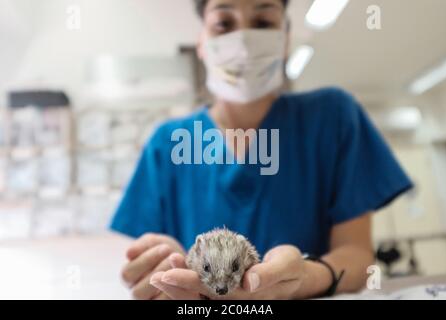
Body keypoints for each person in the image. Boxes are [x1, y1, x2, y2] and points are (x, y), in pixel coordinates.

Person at [110, 0, 413, 300]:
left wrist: (304, 278)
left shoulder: (334, 117)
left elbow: (358, 257)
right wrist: (162, 268)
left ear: (285, 41)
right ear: (201, 42)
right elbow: (140, 257)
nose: (243, 41)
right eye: (224, 24)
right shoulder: (167, 142)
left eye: (263, 23)